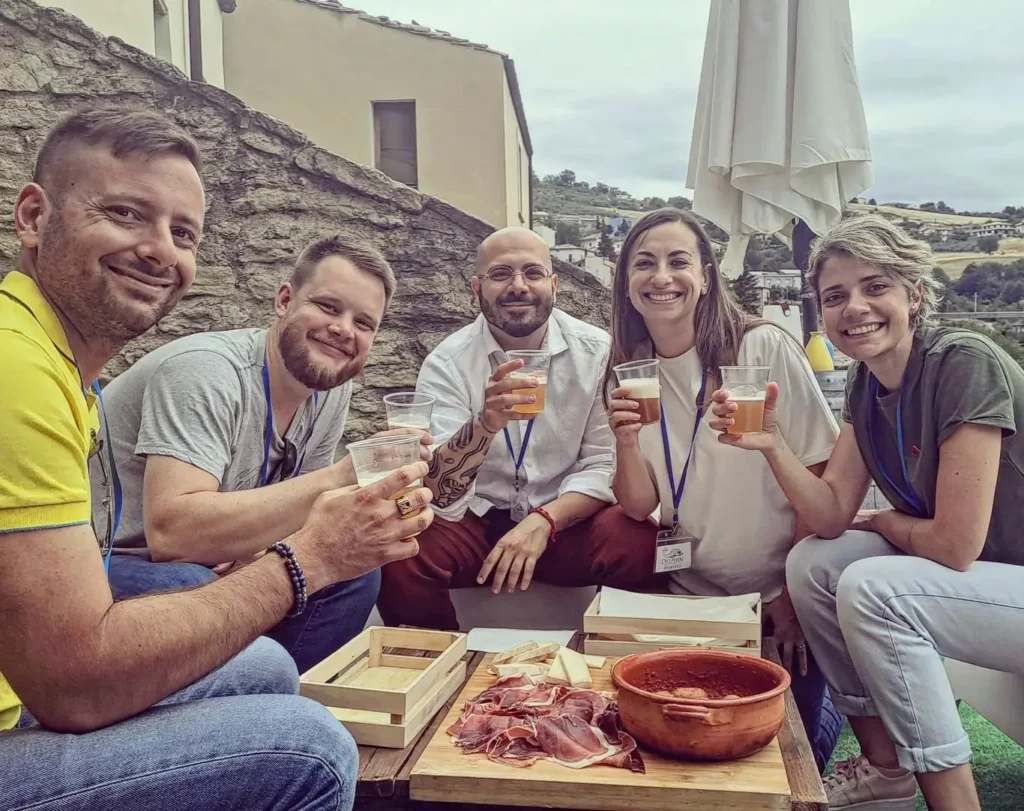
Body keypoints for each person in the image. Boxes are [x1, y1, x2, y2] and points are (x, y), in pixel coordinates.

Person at [0, 107, 434, 811]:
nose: (157, 250)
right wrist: (309, 553)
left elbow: (293, 512)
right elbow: (161, 552)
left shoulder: (53, 360)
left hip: (51, 647)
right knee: (311, 745)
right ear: (32, 217)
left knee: (270, 662)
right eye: (124, 212)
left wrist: (306, 547)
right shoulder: (23, 370)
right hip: (111, 598)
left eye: (182, 233)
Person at [709, 214, 1024, 811]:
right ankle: (887, 769)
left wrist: (885, 524)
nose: (854, 307)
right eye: (835, 296)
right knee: (816, 562)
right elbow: (829, 517)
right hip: (987, 587)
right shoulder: (865, 383)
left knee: (874, 585)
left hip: (1000, 580)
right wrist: (772, 443)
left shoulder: (963, 362)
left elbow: (956, 546)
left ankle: (954, 801)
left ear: (915, 295)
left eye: (875, 287)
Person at [94, 235, 430, 673]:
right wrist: (343, 476)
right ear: (284, 300)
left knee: (355, 570)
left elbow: (305, 518)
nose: (344, 330)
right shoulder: (206, 371)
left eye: (364, 323)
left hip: (216, 555)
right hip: (111, 560)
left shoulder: (330, 386)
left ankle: (288, 704)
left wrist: (261, 554)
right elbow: (172, 535)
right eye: (328, 307)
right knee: (187, 585)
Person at [604, 207, 843, 771]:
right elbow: (639, 505)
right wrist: (623, 442)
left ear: (706, 276)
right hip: (690, 592)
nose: (661, 277)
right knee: (688, 748)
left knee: (790, 753)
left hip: (774, 596)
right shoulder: (628, 369)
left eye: (678, 261)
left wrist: (791, 593)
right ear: (627, 283)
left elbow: (821, 467)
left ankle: (829, 697)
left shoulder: (761, 347)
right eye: (645, 264)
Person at [376, 226, 664, 630]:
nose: (518, 286)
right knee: (400, 547)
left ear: (554, 284)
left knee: (637, 542)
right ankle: (438, 668)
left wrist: (544, 521)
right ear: (476, 287)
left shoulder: (596, 352)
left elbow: (603, 463)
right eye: (500, 275)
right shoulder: (449, 362)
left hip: (565, 522)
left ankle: (615, 667)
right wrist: (485, 424)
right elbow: (438, 492)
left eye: (532, 273)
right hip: (475, 521)